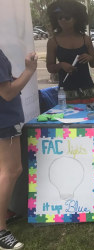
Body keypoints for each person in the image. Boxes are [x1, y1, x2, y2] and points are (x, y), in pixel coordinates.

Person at [0, 49, 37, 249]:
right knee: (11, 170)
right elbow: (7, 93)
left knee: (5, 171)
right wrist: (29, 71)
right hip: (5, 120)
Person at [46, 0, 94, 104]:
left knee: (91, 118)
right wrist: (61, 65)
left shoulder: (86, 39)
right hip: (66, 91)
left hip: (87, 88)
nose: (63, 20)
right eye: (59, 17)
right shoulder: (53, 42)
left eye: (67, 17)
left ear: (76, 19)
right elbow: (50, 68)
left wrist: (90, 58)